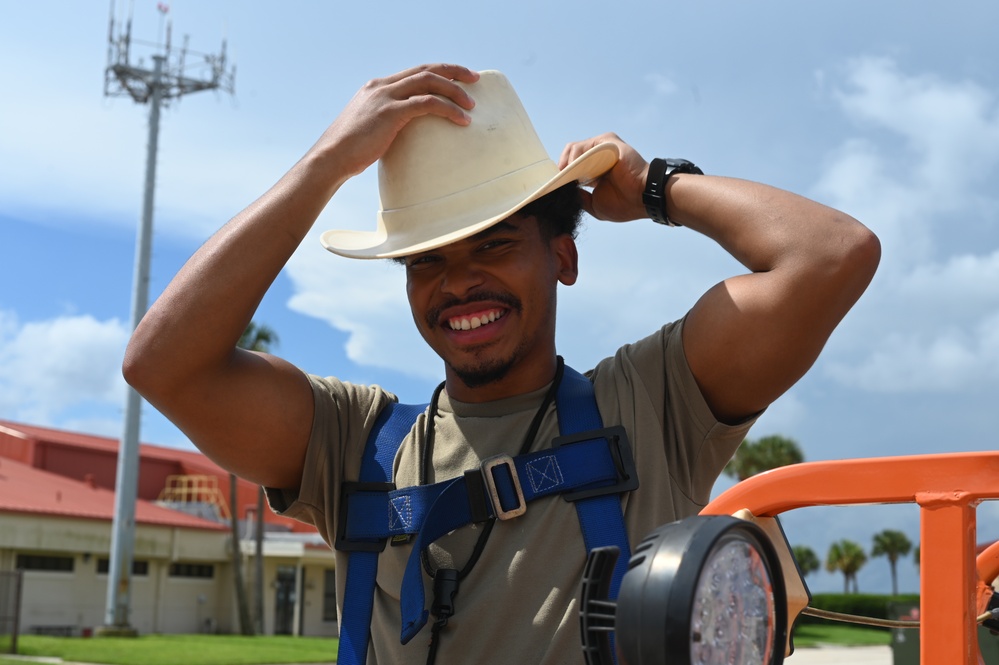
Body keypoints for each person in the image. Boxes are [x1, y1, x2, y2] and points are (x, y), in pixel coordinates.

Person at [123, 63, 880, 664]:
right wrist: (327, 164)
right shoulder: (350, 440)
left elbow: (829, 253)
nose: (457, 283)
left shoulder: (652, 401)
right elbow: (161, 363)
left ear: (562, 255)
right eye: (426, 260)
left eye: (493, 244)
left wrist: (657, 187)